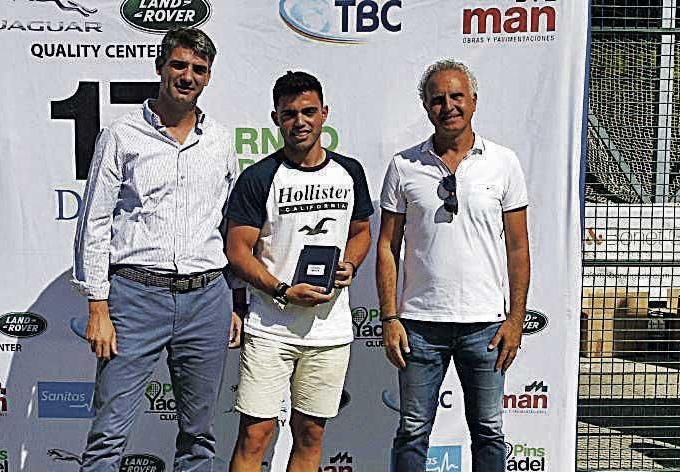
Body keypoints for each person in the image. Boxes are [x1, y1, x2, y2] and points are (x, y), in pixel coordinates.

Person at [71, 27, 242, 472]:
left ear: (208, 78)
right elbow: (94, 223)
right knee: (108, 435)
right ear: (160, 68)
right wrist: (97, 305)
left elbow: (229, 229)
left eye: (199, 70)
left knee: (199, 437)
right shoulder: (121, 135)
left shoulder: (222, 142)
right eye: (179, 65)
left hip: (208, 299)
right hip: (134, 298)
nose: (188, 76)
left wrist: (234, 302)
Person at [376, 59, 531, 471]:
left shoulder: (504, 163)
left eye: (456, 96)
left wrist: (515, 319)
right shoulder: (403, 166)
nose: (448, 106)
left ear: (474, 102)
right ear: (427, 108)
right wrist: (390, 317)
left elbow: (518, 249)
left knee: (489, 432)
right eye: (438, 99)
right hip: (419, 327)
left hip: (486, 326)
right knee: (411, 431)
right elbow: (387, 247)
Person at [224, 71, 373, 472]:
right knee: (255, 435)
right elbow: (237, 252)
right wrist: (280, 291)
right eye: (289, 114)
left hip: (329, 329)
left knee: (311, 435)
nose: (300, 121)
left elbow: (361, 232)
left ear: (325, 114)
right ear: (276, 119)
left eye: (308, 111)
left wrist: (351, 264)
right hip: (271, 328)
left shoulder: (350, 172)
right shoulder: (258, 178)